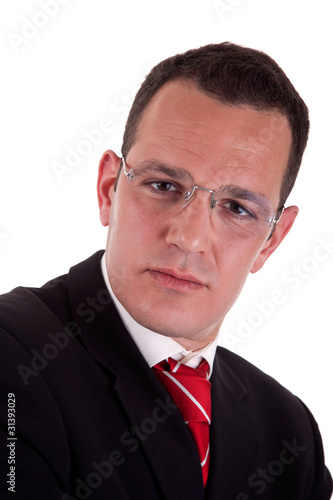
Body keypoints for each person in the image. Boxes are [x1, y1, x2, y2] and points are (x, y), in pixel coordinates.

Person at [0, 42, 332, 500]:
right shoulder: (12, 357)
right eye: (163, 185)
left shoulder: (290, 433)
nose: (189, 238)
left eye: (237, 208)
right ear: (108, 190)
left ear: (271, 241)